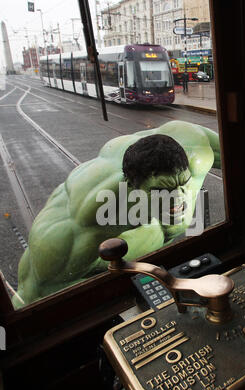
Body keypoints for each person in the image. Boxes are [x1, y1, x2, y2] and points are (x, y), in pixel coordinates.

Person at [13, 120, 221, 308]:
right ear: (132, 187)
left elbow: (243, 146)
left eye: (182, 185)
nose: (176, 200)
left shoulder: (196, 152)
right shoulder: (80, 227)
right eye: (161, 191)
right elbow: (33, 298)